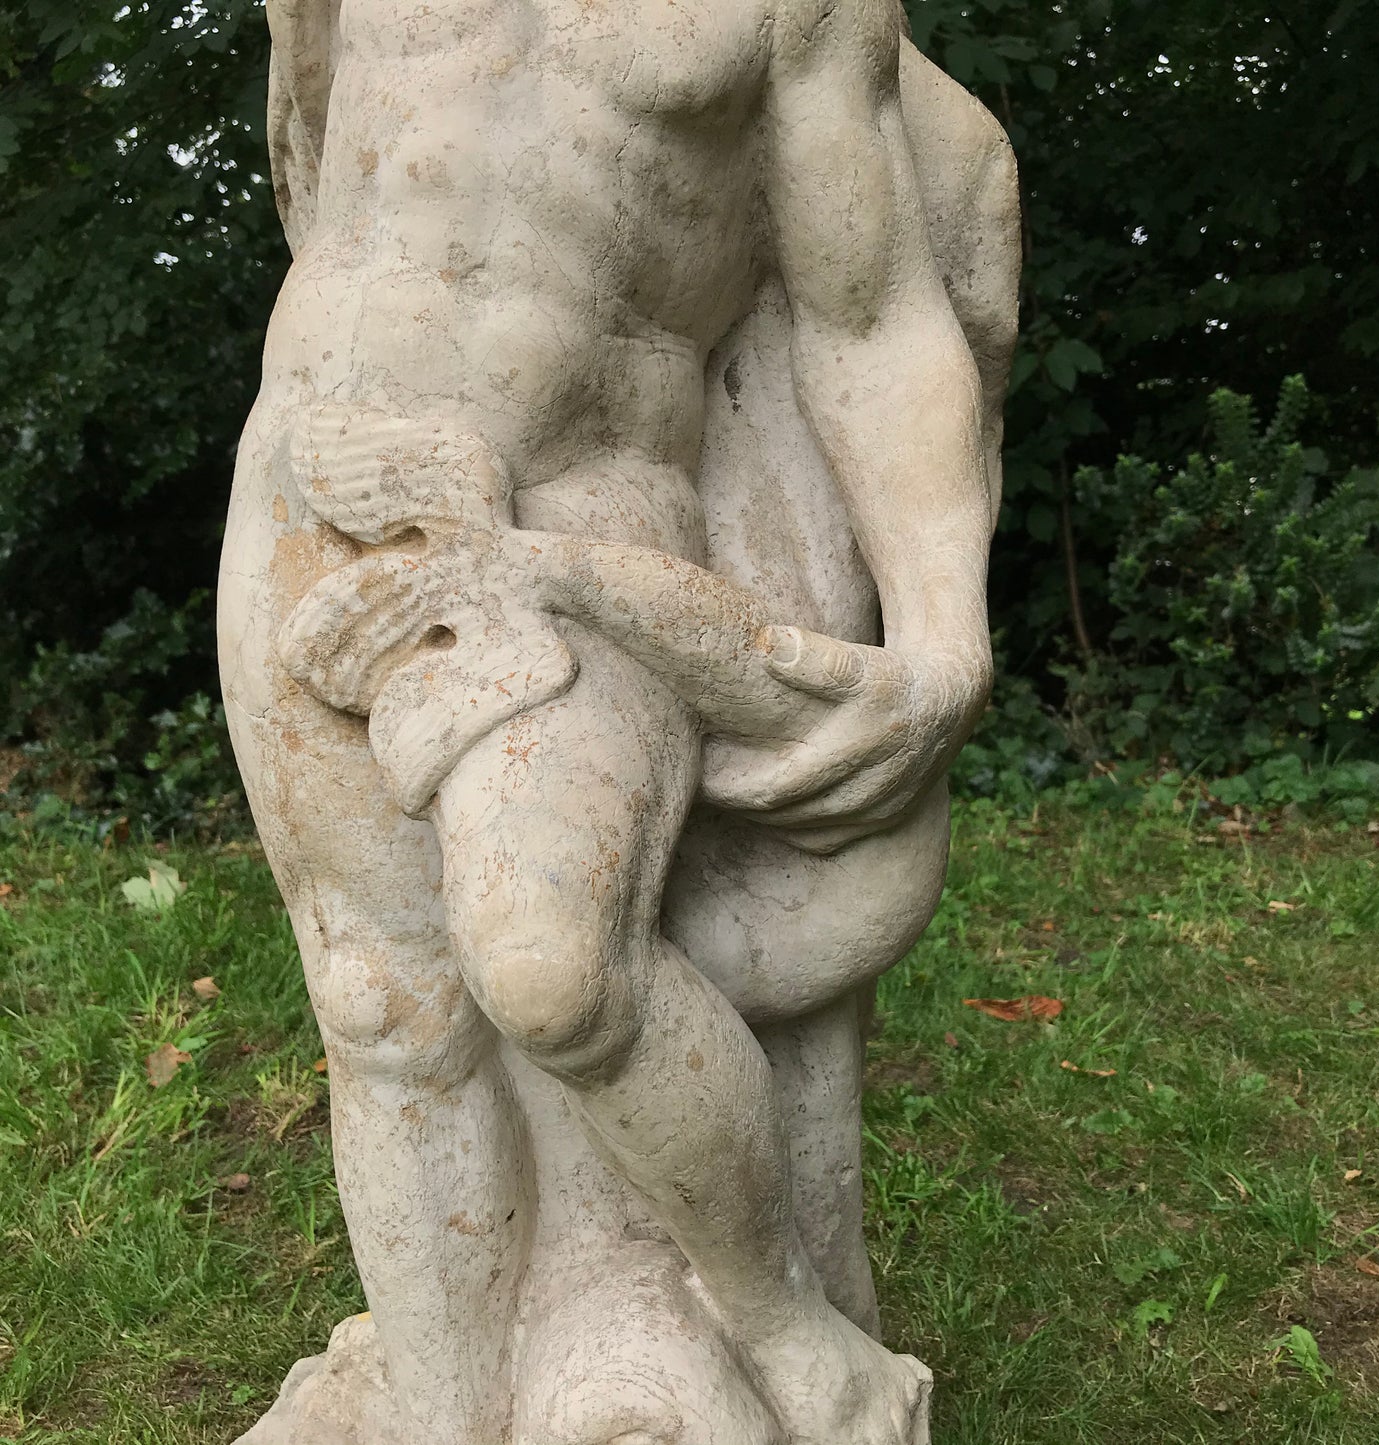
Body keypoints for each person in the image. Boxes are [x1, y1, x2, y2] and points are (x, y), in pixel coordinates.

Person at [219, 0, 1015, 1440]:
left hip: (581, 510)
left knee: (550, 968)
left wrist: (940, 625)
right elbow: (314, 152)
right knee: (382, 1008)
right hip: (313, 478)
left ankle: (778, 1319)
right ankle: (445, 1409)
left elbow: (872, 307)